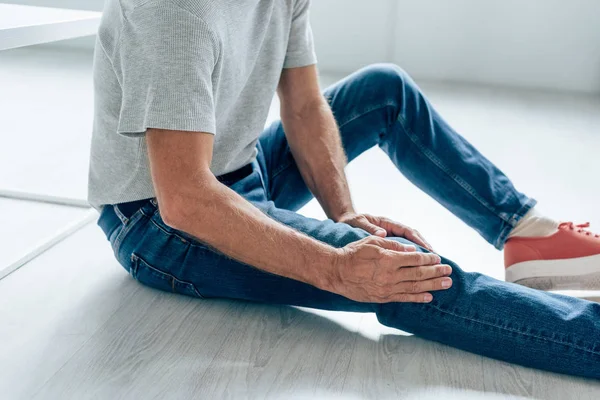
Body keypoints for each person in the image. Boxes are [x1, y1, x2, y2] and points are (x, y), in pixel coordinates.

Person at [89, 0, 600, 379]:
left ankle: (531, 238)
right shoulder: (173, 13)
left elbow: (306, 107)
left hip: (240, 169)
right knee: (398, 267)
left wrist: (346, 214)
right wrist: (338, 268)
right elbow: (185, 198)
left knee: (384, 88)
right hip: (158, 221)